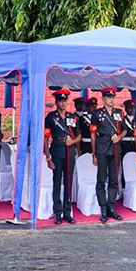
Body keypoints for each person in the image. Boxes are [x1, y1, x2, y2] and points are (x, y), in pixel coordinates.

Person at [44, 88, 81, 224]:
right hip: (57, 151)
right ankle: (57, 213)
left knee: (68, 183)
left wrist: (73, 141)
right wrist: (48, 157)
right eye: (60, 100)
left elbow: (79, 136)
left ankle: (67, 212)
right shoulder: (51, 117)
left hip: (70, 152)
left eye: (65, 100)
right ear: (56, 102)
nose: (63, 103)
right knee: (57, 182)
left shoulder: (73, 117)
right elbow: (45, 138)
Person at [90, 88, 125, 222]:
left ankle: (111, 207)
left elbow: (125, 130)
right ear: (103, 99)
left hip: (115, 148)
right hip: (102, 148)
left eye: (112, 97)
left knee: (114, 179)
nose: (111, 99)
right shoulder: (97, 114)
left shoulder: (119, 113)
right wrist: (94, 153)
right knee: (101, 179)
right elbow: (93, 134)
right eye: (108, 97)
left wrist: (119, 137)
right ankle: (103, 208)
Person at [120, 99, 136, 188]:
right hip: (125, 146)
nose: (132, 110)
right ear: (126, 109)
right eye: (130, 108)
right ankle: (124, 187)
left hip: (135, 145)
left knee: (135, 166)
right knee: (125, 166)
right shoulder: (121, 121)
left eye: (133, 108)